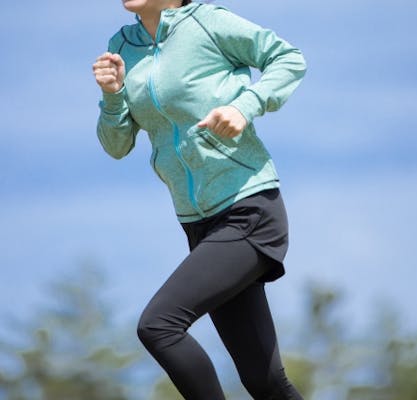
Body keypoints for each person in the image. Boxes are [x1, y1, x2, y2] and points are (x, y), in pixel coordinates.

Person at [92, 0, 307, 398]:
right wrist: (113, 96)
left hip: (249, 207)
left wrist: (245, 106)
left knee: (159, 325)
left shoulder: (209, 23)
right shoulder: (122, 47)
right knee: (264, 381)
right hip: (199, 223)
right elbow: (116, 145)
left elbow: (288, 58)